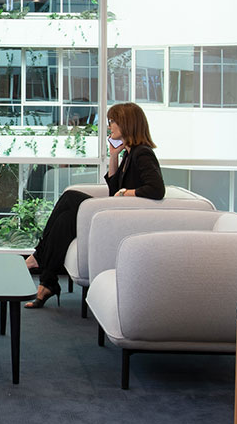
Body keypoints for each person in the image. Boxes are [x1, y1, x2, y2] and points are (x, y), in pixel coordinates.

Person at [24, 101, 166, 307]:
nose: (109, 126)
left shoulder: (142, 153)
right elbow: (112, 190)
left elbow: (156, 189)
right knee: (64, 221)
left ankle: (39, 258)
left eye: (113, 122)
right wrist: (114, 155)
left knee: (71, 197)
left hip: (120, 219)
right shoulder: (128, 154)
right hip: (113, 214)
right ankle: (47, 283)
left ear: (126, 124)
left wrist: (126, 193)